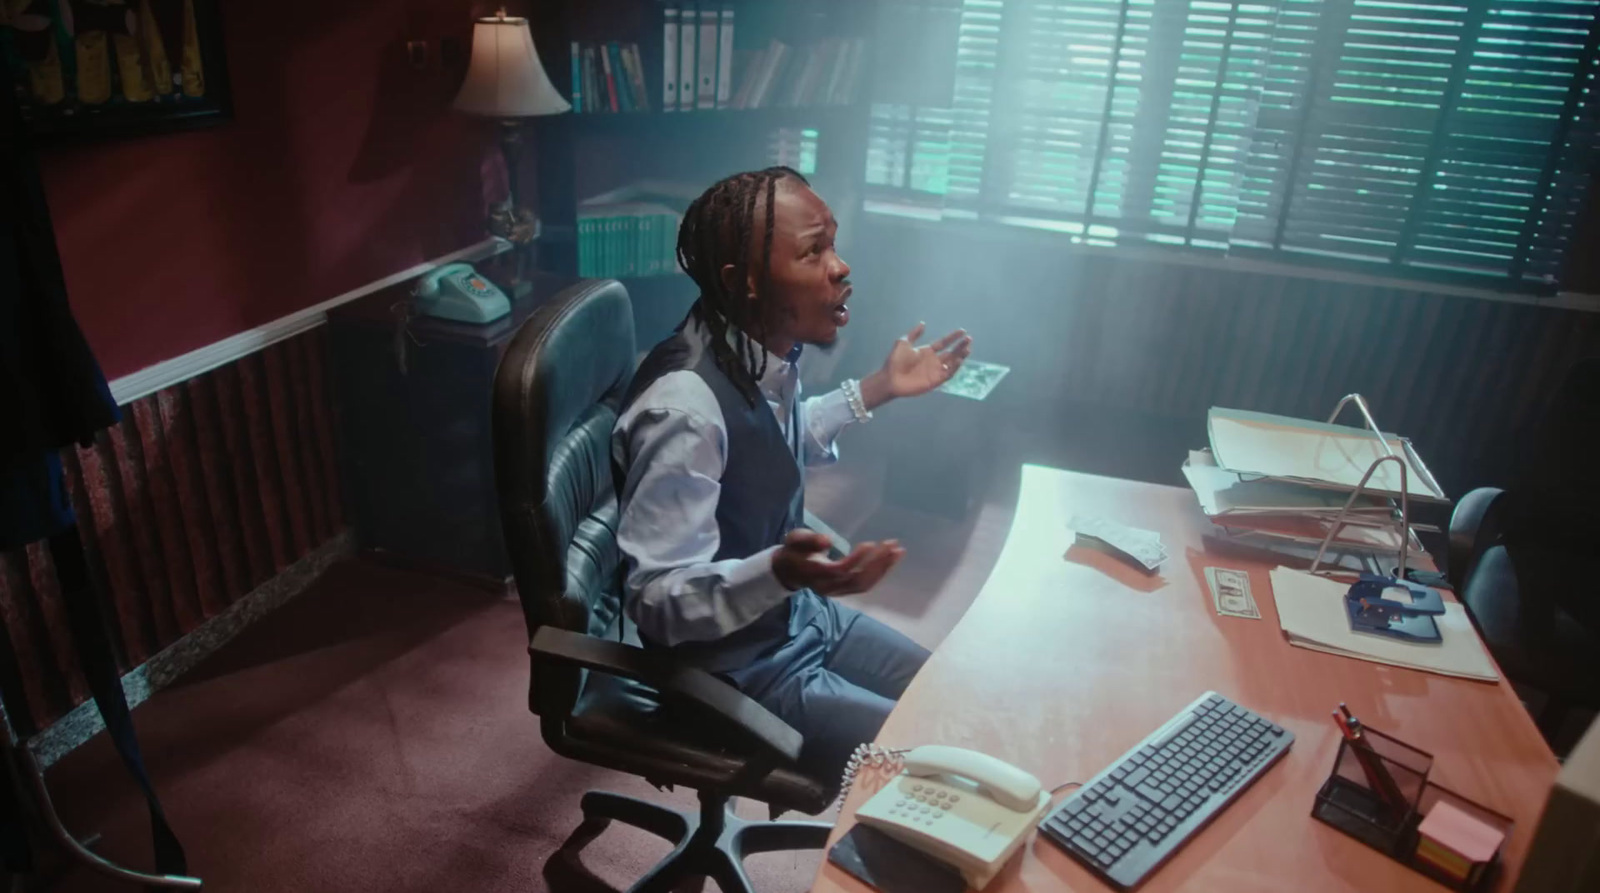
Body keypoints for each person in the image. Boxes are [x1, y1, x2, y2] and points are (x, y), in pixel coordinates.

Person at [611, 166, 973, 783]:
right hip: (736, 670)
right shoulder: (686, 410)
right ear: (745, 281)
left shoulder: (756, 350)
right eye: (814, 251)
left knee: (953, 698)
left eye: (833, 243)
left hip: (799, 620)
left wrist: (877, 390)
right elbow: (655, 601)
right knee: (935, 759)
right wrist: (778, 571)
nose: (840, 267)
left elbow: (767, 445)